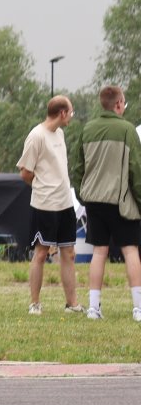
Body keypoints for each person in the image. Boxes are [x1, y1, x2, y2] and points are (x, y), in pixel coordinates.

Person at [69, 85, 141, 320]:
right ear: (119, 104)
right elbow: (136, 171)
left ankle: (93, 308)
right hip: (120, 201)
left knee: (99, 252)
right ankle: (138, 308)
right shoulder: (128, 130)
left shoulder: (87, 129)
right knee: (130, 251)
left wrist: (83, 196)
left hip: (94, 202)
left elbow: (77, 168)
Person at [17, 95, 81, 314]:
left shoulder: (60, 134)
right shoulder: (36, 136)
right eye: (70, 112)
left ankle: (72, 304)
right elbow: (25, 172)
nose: (71, 116)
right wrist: (43, 185)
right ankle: (34, 303)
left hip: (65, 203)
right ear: (62, 113)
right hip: (44, 203)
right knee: (41, 253)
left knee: (69, 252)